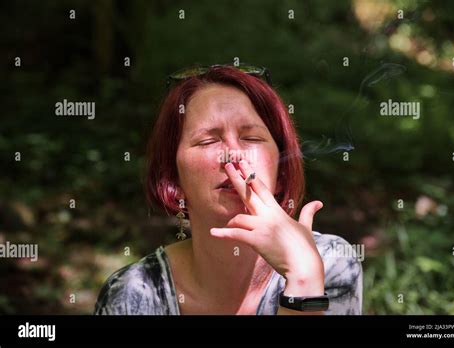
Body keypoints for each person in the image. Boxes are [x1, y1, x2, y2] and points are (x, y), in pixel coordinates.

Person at [95, 65, 362, 315]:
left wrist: (303, 279)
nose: (232, 155)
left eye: (251, 138)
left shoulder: (328, 263)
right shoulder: (132, 295)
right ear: (173, 180)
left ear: (281, 174)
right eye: (207, 140)